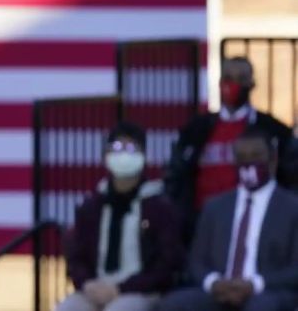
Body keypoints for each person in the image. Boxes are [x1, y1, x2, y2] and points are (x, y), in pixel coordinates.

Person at [160, 126, 298, 311]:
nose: (249, 162)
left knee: (260, 307)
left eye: (256, 156)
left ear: (273, 160)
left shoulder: (292, 207)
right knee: (173, 304)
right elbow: (196, 261)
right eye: (241, 157)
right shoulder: (215, 206)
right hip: (219, 290)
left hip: (267, 292)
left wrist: (253, 285)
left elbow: (295, 270)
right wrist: (214, 283)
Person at [57, 122, 183, 311]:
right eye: (116, 148)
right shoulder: (92, 206)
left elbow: (166, 263)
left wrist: (121, 288)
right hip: (95, 287)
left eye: (131, 148)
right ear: (106, 155)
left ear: (143, 155)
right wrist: (87, 283)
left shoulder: (158, 207)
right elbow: (76, 256)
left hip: (140, 291)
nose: (123, 154)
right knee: (69, 308)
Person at [166, 57, 293, 241]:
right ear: (219, 83)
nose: (233, 84)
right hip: (203, 226)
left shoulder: (273, 130)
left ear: (252, 84)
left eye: (241, 78)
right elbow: (176, 176)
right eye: (228, 77)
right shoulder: (195, 130)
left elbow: (290, 176)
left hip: (257, 226)